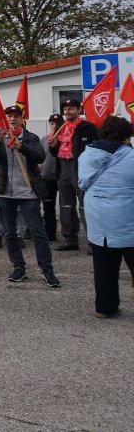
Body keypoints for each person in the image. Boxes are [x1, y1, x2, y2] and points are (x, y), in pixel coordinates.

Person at [0, 106, 59, 288]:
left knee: (38, 231)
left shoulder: (30, 137)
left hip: (27, 192)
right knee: (10, 233)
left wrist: (22, 147)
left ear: (21, 119)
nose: (12, 119)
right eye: (9, 116)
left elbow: (40, 157)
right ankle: (18, 267)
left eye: (16, 116)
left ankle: (47, 270)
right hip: (3, 192)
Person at [78, 115, 134, 318]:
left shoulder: (87, 155)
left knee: (104, 267)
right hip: (127, 220)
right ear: (126, 136)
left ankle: (105, 307)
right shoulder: (130, 157)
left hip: (98, 220)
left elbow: (82, 183)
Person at [48, 98, 99, 251]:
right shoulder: (60, 127)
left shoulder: (89, 127)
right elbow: (54, 152)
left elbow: (97, 149)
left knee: (85, 206)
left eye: (71, 108)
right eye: (65, 109)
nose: (67, 111)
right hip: (63, 169)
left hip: (81, 170)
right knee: (66, 206)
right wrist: (53, 146)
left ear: (79, 110)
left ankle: (93, 242)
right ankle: (70, 240)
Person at [40, 113, 62, 241]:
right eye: (52, 123)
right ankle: (50, 232)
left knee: (66, 207)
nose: (54, 126)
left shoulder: (66, 139)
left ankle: (68, 233)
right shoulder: (44, 139)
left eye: (57, 123)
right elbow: (40, 156)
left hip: (61, 177)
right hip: (47, 178)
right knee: (48, 206)